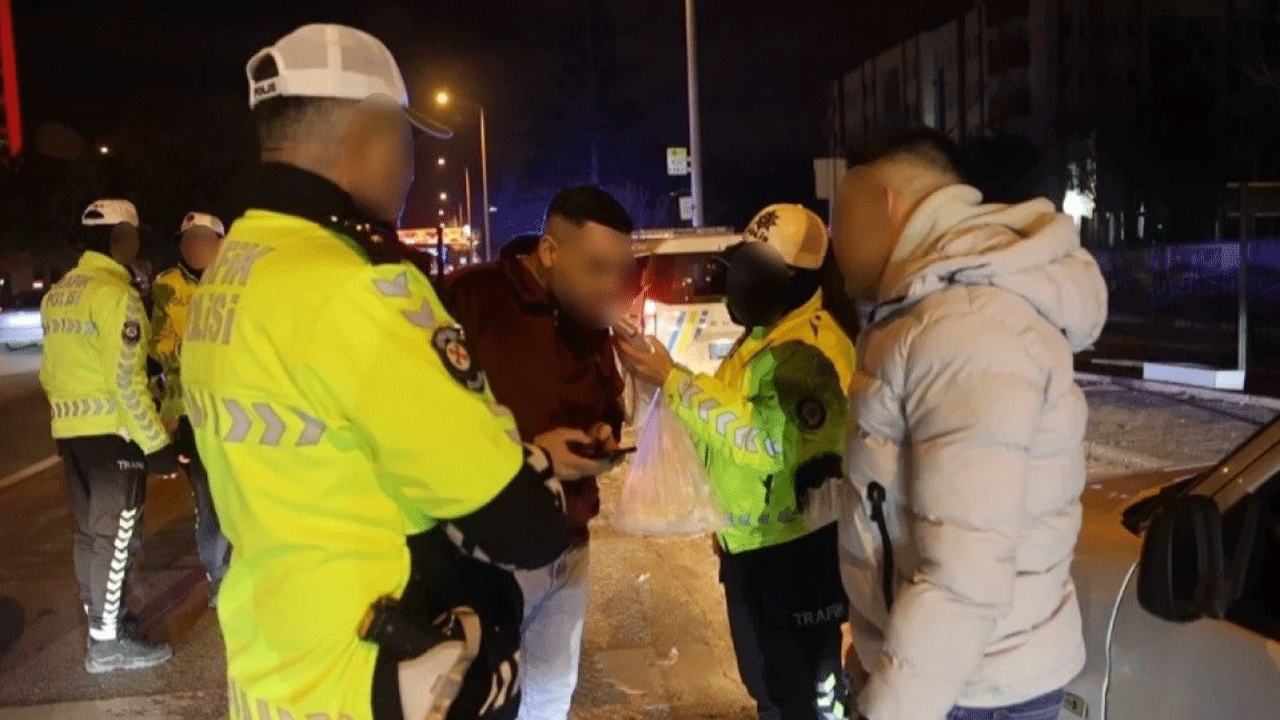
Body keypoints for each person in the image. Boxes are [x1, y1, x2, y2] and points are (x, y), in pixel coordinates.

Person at [181, 24, 613, 720]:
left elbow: (333, 454)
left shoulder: (232, 275)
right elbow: (520, 527)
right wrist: (529, 478)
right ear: (365, 133)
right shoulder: (360, 288)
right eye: (406, 142)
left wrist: (535, 456)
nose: (409, 167)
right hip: (372, 674)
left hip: (271, 670)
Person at [828, 128, 1108, 720]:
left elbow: (964, 574)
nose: (834, 242)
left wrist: (888, 709)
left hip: (969, 694)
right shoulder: (932, 316)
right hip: (952, 679)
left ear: (888, 200)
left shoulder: (965, 328)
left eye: (839, 221)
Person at [618, 204, 856, 720]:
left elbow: (768, 442)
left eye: (753, 270)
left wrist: (676, 381)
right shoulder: (765, 337)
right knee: (768, 688)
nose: (736, 283)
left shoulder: (809, 351)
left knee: (803, 699)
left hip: (798, 555)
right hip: (752, 546)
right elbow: (730, 426)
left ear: (794, 279)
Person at [443, 186, 635, 720]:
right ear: (550, 252)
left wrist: (604, 431)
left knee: (551, 698)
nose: (611, 286)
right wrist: (528, 455)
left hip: (569, 547)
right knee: (482, 701)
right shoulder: (469, 299)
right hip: (488, 554)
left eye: (621, 269)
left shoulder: (589, 318)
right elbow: (429, 427)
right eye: (597, 267)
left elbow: (608, 400)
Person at [39, 198, 180, 673]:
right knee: (118, 536)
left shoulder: (58, 293)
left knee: (90, 535)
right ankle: (107, 645)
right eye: (134, 235)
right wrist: (156, 443)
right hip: (111, 436)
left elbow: (51, 371)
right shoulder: (115, 296)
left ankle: (104, 617)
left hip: (72, 432)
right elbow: (127, 381)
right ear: (121, 238)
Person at [149, 211, 229, 604]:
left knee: (245, 496)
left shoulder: (237, 283)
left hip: (238, 410)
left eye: (203, 238)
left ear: (220, 242)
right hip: (189, 414)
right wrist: (198, 353)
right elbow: (158, 345)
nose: (195, 246)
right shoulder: (166, 285)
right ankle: (220, 578)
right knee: (208, 501)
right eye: (188, 239)